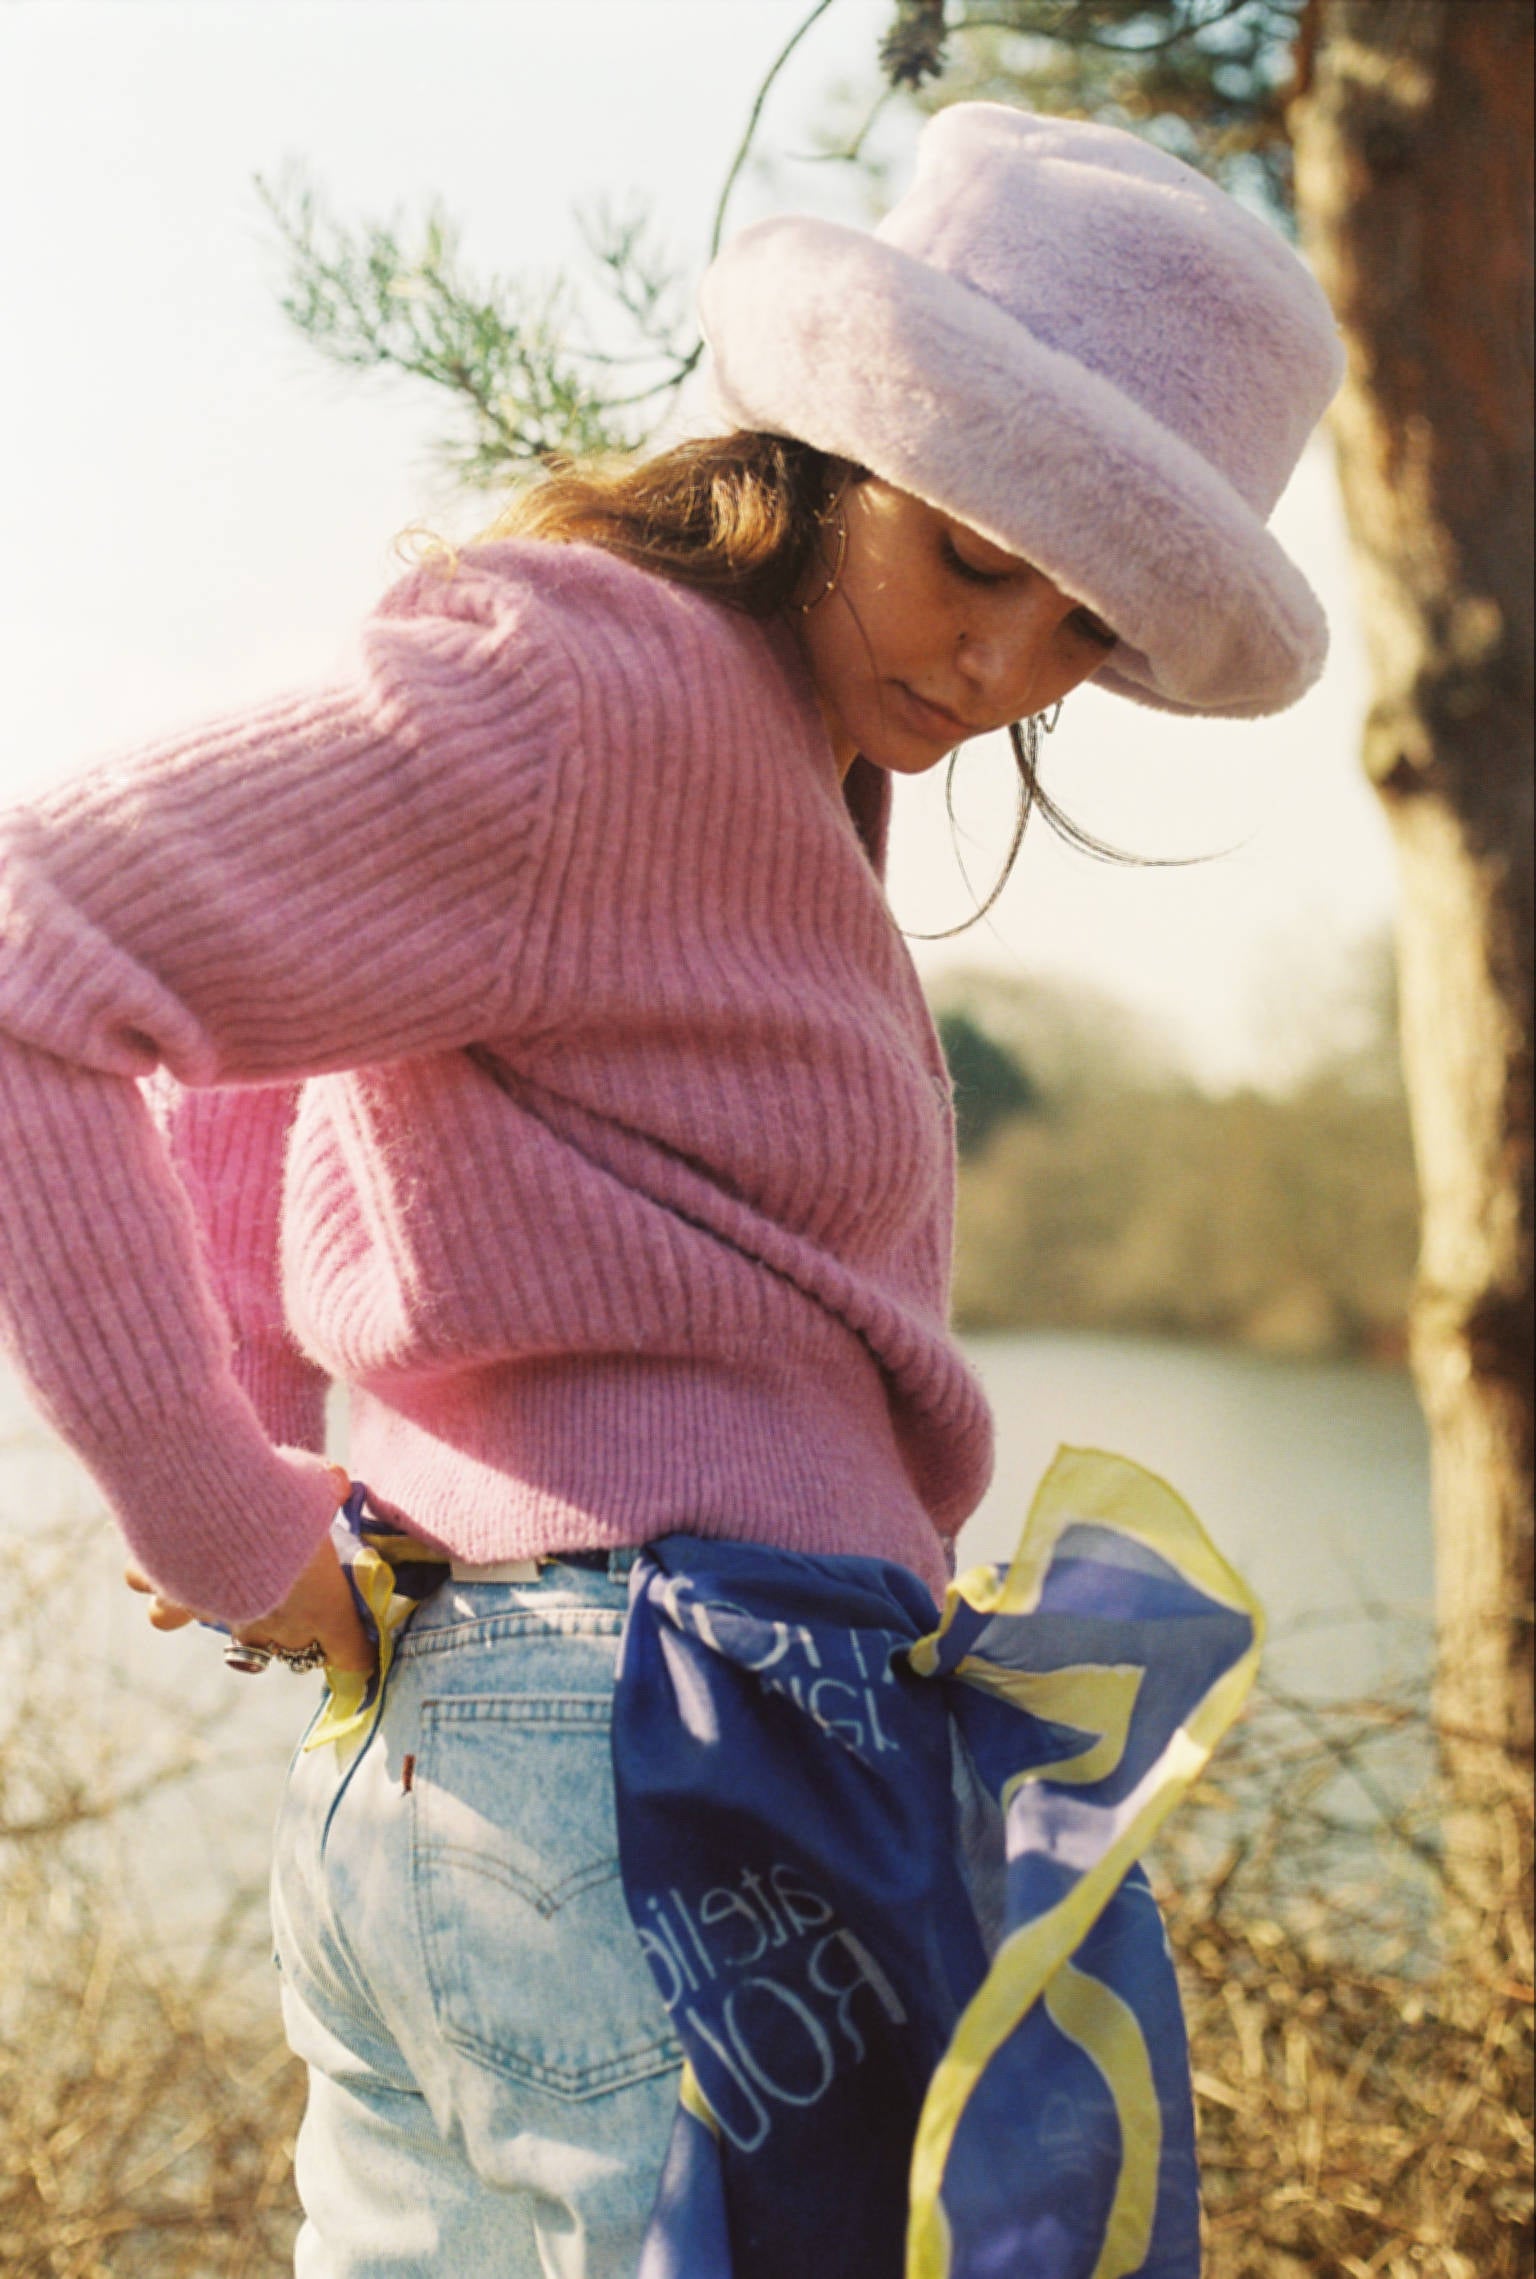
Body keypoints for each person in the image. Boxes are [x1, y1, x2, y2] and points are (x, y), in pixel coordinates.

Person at [0, 101, 1341, 2277]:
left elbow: (288, 1036)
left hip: (515, 1750)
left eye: (1081, 628)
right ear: (830, 441)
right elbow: (42, 950)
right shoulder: (608, 687)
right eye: (971, 556)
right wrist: (224, 1510)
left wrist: (270, 1427)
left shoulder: (730, 739)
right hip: (664, 1756)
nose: (999, 666)